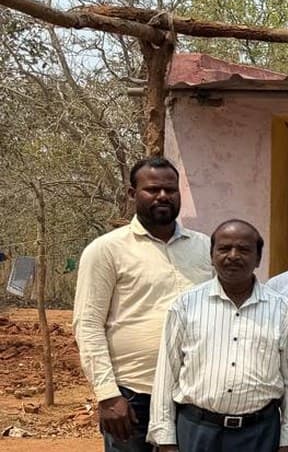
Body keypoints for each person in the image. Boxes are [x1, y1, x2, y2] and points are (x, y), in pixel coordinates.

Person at [74, 157, 213, 452]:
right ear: (131, 194)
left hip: (192, 396)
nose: (163, 196)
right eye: (152, 189)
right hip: (134, 396)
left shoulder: (205, 248)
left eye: (170, 189)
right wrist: (108, 395)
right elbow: (88, 325)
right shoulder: (106, 250)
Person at [147, 220, 288, 452]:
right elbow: (167, 374)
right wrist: (166, 439)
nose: (233, 256)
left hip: (260, 434)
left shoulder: (282, 309)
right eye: (224, 248)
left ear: (258, 259)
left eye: (244, 249)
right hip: (197, 431)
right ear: (211, 255)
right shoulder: (185, 305)